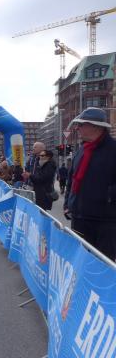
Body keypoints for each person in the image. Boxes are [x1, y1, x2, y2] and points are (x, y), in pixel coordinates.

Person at [63, 108, 116, 260]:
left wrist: (108, 198)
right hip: (79, 218)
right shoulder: (82, 149)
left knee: (102, 263)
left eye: (81, 125)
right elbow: (72, 179)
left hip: (105, 221)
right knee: (80, 260)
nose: (77, 128)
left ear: (96, 127)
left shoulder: (113, 150)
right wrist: (68, 203)